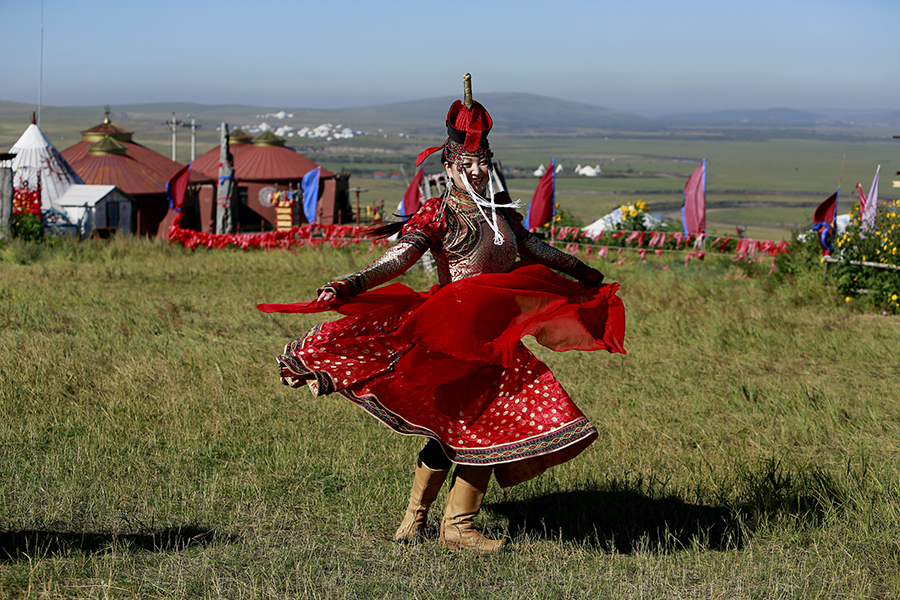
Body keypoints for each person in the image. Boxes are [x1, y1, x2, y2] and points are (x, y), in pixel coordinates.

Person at [259, 75, 626, 553]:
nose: (477, 171)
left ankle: (437, 523)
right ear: (451, 163)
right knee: (467, 426)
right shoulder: (439, 214)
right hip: (451, 334)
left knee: (469, 428)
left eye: (483, 163)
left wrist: (584, 272)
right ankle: (439, 524)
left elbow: (538, 251)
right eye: (469, 162)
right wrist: (351, 283)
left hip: (496, 338)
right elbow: (400, 258)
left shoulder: (502, 213)